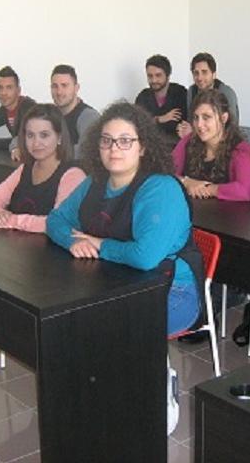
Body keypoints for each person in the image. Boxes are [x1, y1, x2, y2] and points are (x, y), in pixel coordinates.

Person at [46, 102, 203, 436]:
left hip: (173, 291)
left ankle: (160, 383)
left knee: (107, 327)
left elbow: (146, 257)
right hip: (115, 284)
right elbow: (56, 220)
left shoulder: (160, 188)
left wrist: (99, 244)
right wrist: (72, 241)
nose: (114, 149)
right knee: (73, 321)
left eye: (125, 141)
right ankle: (96, 397)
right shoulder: (94, 182)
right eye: (106, 140)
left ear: (142, 146)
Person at [0, 104, 85, 232]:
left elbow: (59, 223)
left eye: (44, 135)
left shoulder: (73, 175)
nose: (36, 143)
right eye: (30, 135)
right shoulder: (25, 168)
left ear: (59, 138)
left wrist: (12, 220)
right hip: (18, 243)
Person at [173, 90, 250, 201]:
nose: (199, 125)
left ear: (224, 118)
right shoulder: (188, 141)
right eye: (196, 118)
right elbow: (165, 172)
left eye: (206, 117)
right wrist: (186, 182)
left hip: (226, 211)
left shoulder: (239, 149)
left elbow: (246, 190)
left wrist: (208, 189)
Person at [178, 52, 240, 138]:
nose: (199, 77)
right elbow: (191, 120)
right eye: (196, 73)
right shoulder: (191, 91)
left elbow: (231, 128)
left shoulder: (226, 93)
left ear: (214, 74)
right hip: (198, 139)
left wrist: (194, 131)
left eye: (204, 72)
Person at [134, 54, 188, 149]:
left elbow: (186, 124)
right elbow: (137, 125)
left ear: (168, 75)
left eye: (158, 75)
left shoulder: (180, 93)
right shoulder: (143, 96)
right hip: (150, 147)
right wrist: (160, 119)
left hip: (176, 147)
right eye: (150, 76)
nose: (154, 80)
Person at [50, 64, 100, 158]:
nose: (59, 92)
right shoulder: (50, 115)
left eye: (64, 85)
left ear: (76, 88)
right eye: (54, 86)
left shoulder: (88, 116)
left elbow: (86, 150)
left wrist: (49, 154)